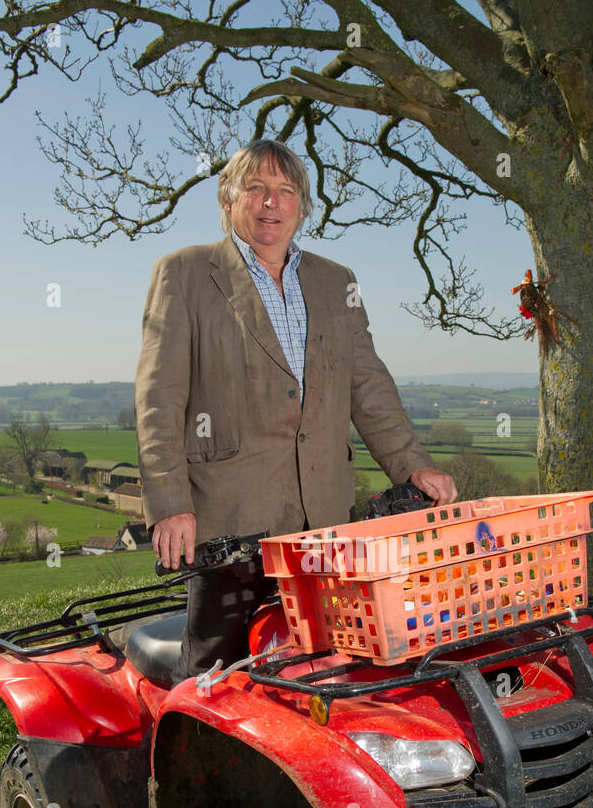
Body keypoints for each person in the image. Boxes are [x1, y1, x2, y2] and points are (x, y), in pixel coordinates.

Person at [135, 138, 456, 682]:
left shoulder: (336, 281)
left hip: (323, 523)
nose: (271, 203)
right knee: (218, 677)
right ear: (229, 200)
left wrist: (413, 465)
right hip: (229, 524)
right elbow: (159, 395)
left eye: (285, 191)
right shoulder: (184, 274)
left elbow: (367, 383)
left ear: (302, 206)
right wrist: (169, 503)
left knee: (329, 669)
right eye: (256, 188)